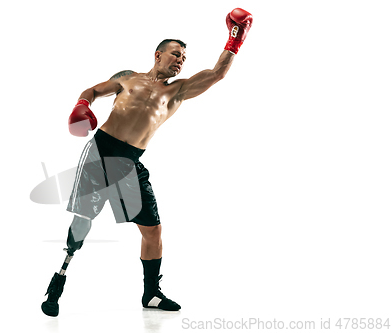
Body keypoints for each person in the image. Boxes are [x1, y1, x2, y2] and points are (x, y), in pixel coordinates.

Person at [41, 8, 253, 316]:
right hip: (100, 153)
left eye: (184, 58)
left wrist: (235, 40)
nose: (180, 60)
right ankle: (59, 277)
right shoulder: (127, 78)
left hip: (130, 162)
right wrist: (83, 104)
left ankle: (151, 294)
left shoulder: (177, 91)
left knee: (152, 230)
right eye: (176, 54)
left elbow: (217, 73)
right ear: (158, 55)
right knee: (83, 223)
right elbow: (94, 90)